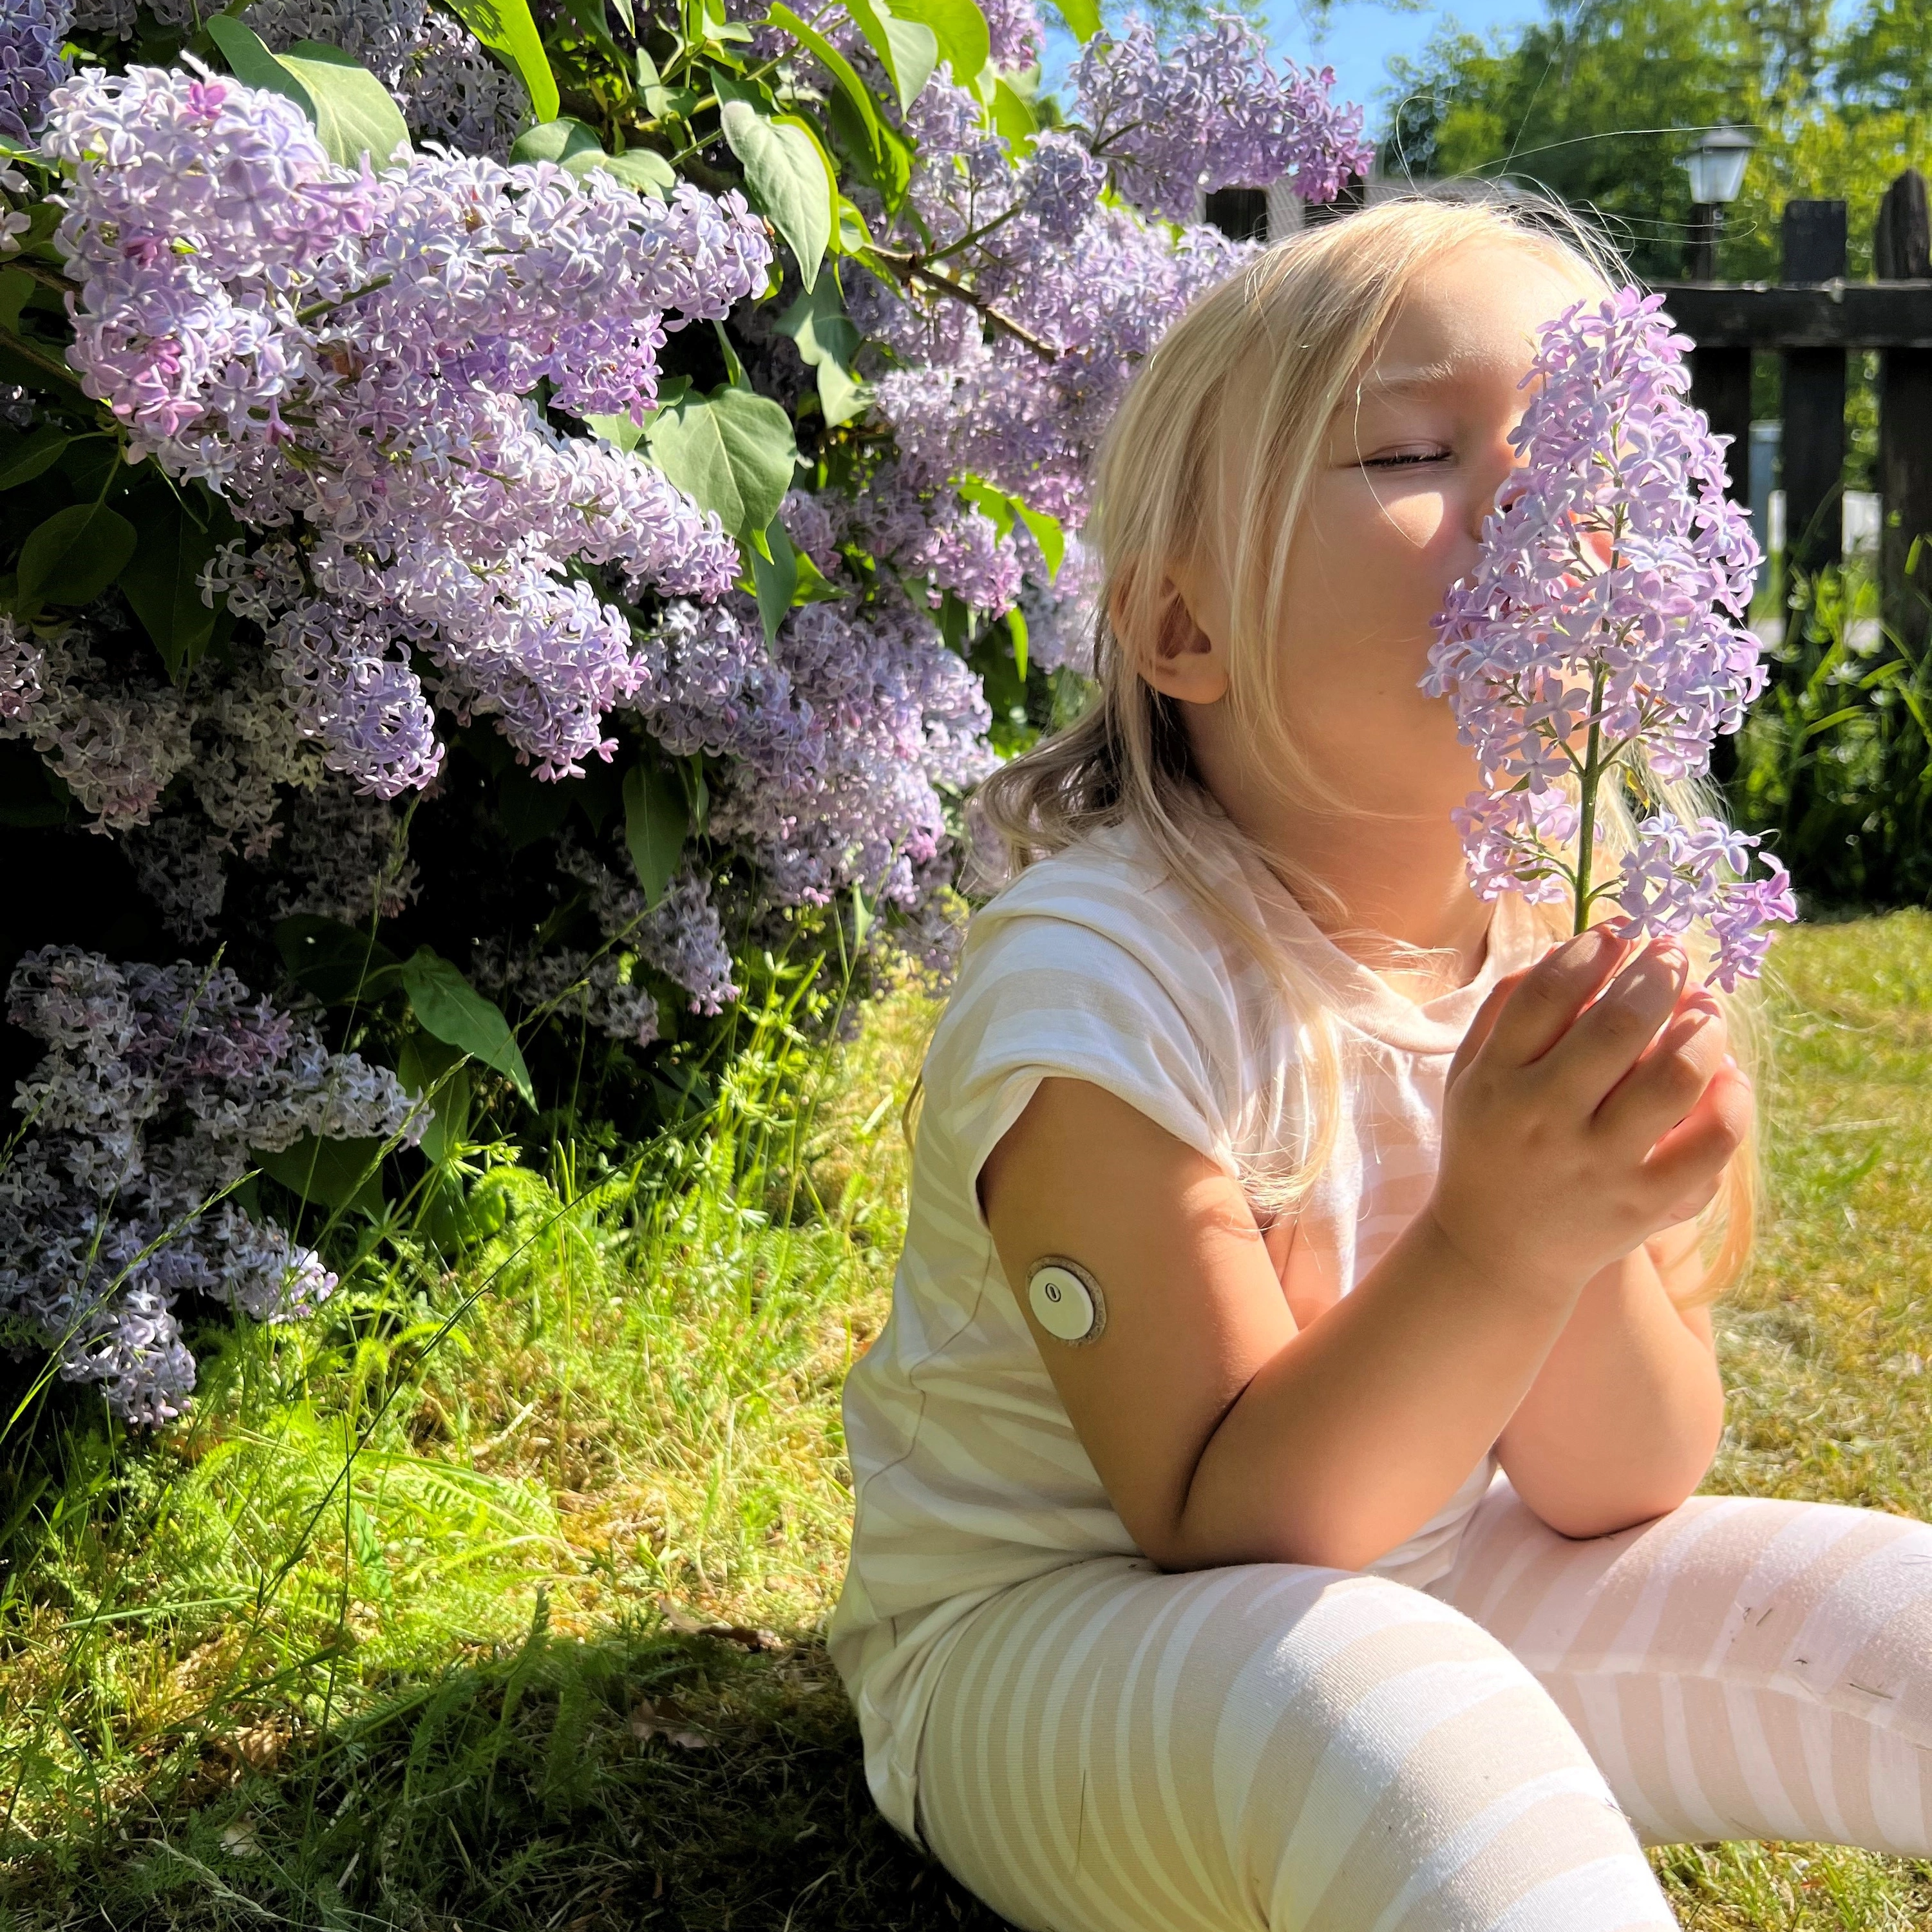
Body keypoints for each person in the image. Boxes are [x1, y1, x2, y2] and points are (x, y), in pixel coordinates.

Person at [824, 192, 1932, 1932]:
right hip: (1055, 1643)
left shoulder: (1549, 934)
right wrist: (1501, 1241)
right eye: (1418, 448)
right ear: (1184, 630)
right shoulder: (1099, 986)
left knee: (1892, 1620)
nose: (1543, 504)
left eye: (1585, 455)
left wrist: (1578, 1229)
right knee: (1419, 1742)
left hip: (1441, 1573)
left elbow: (1619, 1482)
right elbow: (1225, 1523)